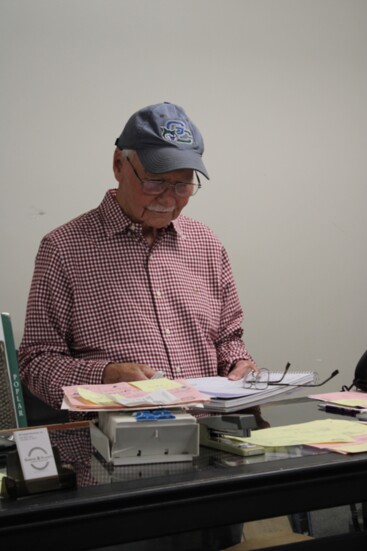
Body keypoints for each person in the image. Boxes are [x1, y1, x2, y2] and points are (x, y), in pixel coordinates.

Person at [19, 101, 258, 415]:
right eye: (155, 181)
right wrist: (106, 376)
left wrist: (239, 363)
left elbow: (228, 338)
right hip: (115, 448)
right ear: (119, 164)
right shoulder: (64, 248)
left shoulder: (206, 244)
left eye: (183, 184)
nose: (169, 198)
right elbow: (36, 363)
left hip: (210, 438)